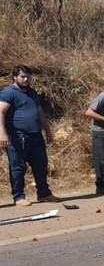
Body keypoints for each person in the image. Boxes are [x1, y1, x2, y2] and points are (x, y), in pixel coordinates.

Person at [0, 65, 61, 206]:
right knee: (18, 167)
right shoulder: (8, 93)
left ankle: (44, 194)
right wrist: (2, 133)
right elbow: (1, 112)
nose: (26, 79)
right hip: (18, 137)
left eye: (28, 76)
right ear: (15, 77)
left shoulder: (32, 93)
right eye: (23, 76)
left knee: (41, 165)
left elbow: (40, 112)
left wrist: (48, 130)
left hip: (36, 136)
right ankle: (18, 197)